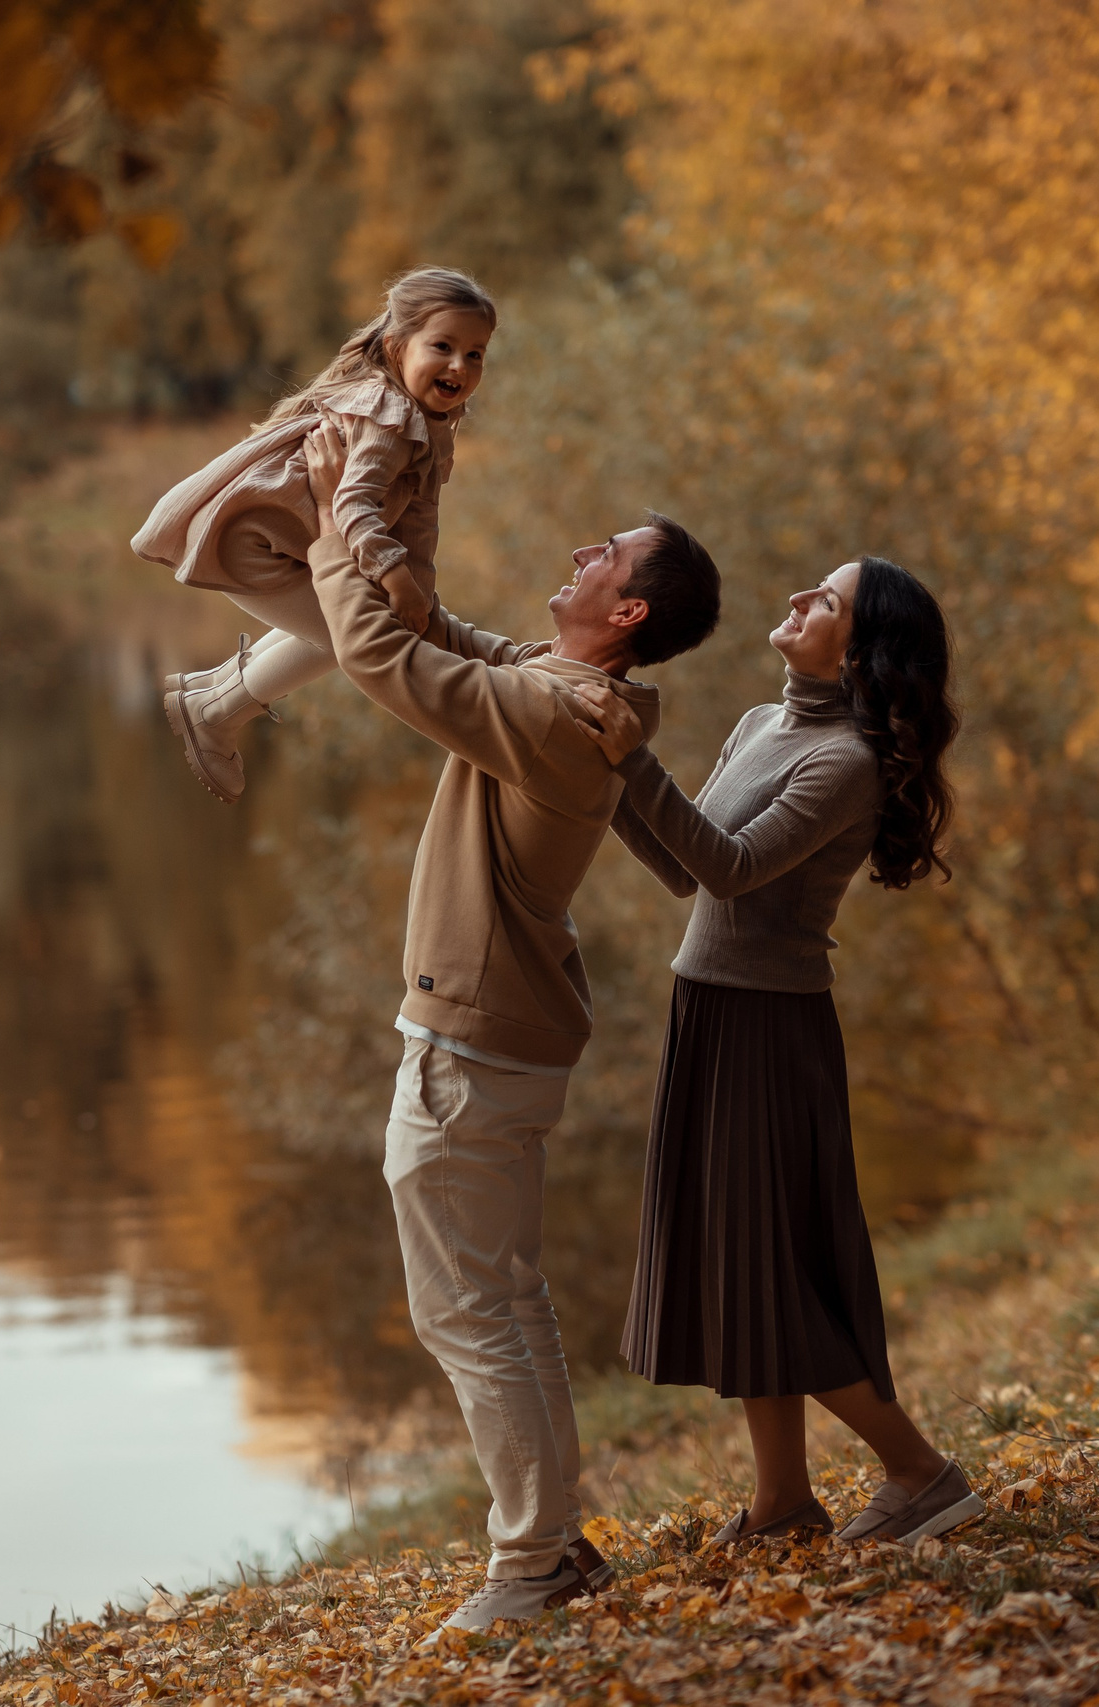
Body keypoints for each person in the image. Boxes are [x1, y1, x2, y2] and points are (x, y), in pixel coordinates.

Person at [298, 421, 725, 1637]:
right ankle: (551, 1550)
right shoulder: (568, 691)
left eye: (611, 552)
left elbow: (383, 661)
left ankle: (531, 1565)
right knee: (508, 1303)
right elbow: (445, 638)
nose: (585, 550)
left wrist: (336, 525)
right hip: (499, 1041)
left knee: (471, 1315)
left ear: (629, 611)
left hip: (470, 1054)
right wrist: (379, 533)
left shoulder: (553, 715)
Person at [574, 554, 982, 1547]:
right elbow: (683, 869)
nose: (798, 600)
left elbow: (732, 867)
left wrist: (632, 761)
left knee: (772, 1275)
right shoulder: (762, 724)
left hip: (769, 1030)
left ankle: (920, 1473)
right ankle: (784, 1503)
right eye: (808, 589)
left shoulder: (843, 761)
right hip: (708, 1008)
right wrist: (608, 769)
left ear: (862, 647)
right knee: (739, 1269)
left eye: (826, 602)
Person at [132, 268, 496, 802]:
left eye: (476, 353)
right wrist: (395, 580)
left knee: (361, 622)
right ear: (396, 347)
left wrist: (418, 594)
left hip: (286, 546)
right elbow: (351, 503)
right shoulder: (388, 416)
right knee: (353, 637)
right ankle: (212, 712)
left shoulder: (427, 424)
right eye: (442, 346)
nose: (459, 366)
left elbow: (419, 523)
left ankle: (211, 695)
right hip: (254, 544)